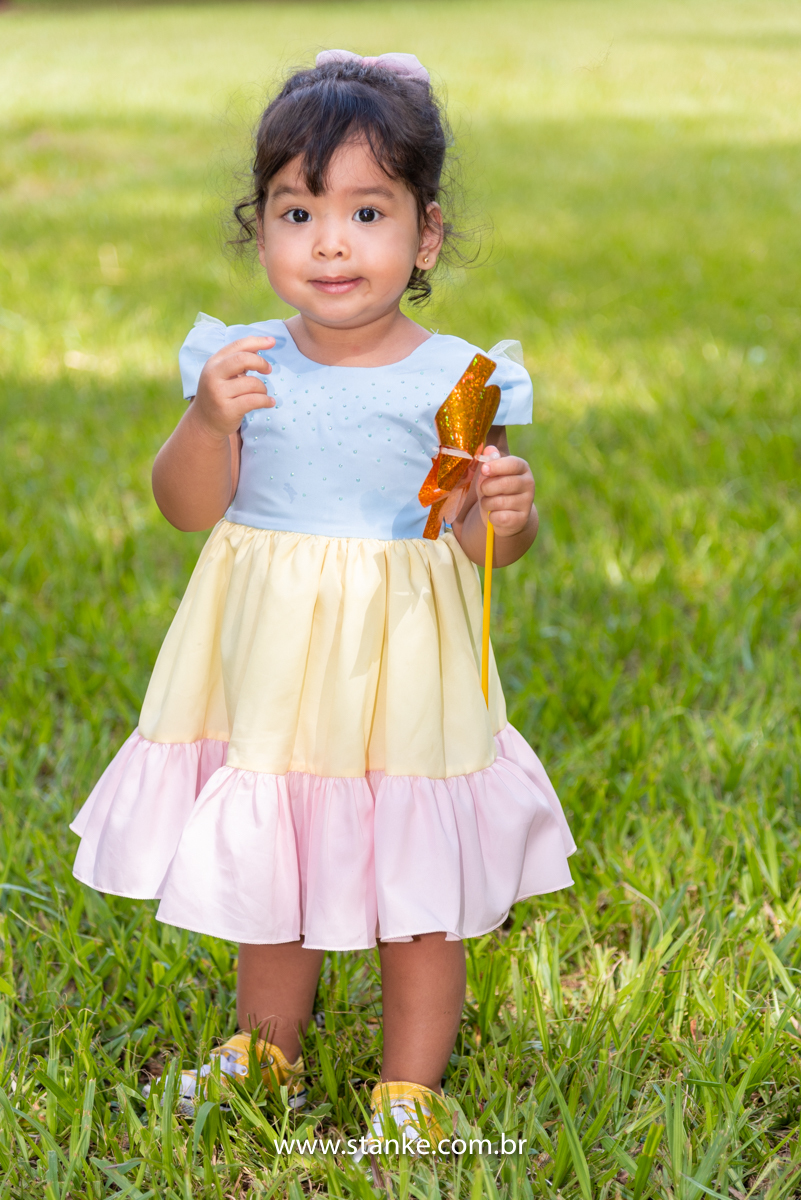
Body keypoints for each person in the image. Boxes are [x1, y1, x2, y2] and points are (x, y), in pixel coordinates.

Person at [70, 48, 576, 1143]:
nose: (331, 242)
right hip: (273, 660)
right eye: (298, 212)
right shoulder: (241, 364)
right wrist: (207, 422)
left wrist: (508, 511)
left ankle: (410, 1087)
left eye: (365, 210)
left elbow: (485, 541)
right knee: (277, 849)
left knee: (416, 870)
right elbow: (184, 507)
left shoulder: (459, 377)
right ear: (261, 229)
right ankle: (265, 1048)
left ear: (424, 234)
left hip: (402, 663)